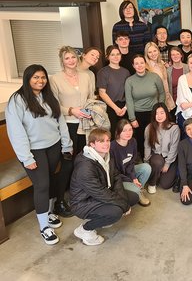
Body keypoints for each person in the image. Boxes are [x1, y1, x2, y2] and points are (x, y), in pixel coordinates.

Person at [6, 64, 73, 245]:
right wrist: (26, 158)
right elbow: (15, 131)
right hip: (33, 150)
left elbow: (60, 120)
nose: (40, 81)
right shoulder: (17, 100)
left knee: (50, 179)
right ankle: (44, 227)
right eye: (36, 77)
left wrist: (66, 144)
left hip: (53, 145)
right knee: (42, 184)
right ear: (27, 78)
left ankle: (50, 213)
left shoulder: (49, 96)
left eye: (43, 77)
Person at [70, 128, 138, 246]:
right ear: (92, 144)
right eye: (101, 141)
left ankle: (105, 216)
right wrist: (123, 205)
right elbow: (100, 192)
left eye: (107, 140)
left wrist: (123, 201)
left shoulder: (106, 155)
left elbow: (116, 177)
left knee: (133, 197)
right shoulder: (85, 167)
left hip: (101, 193)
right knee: (115, 212)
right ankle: (85, 230)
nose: (106, 144)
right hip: (83, 203)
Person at [49, 46, 95, 217]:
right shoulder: (55, 79)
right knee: (68, 164)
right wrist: (71, 110)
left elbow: (91, 97)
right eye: (67, 58)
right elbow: (53, 105)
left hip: (86, 124)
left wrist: (90, 110)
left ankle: (84, 194)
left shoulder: (86, 76)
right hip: (68, 125)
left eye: (73, 57)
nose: (71, 60)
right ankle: (60, 202)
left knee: (85, 160)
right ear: (62, 60)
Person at [124, 54, 165, 154]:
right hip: (138, 114)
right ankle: (144, 159)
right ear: (133, 66)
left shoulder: (154, 77)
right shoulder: (130, 81)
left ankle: (157, 158)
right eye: (136, 63)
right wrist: (132, 119)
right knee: (142, 140)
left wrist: (160, 110)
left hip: (154, 113)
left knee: (156, 137)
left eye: (142, 63)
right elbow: (129, 100)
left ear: (145, 64)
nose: (140, 65)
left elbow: (162, 93)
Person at [110, 119, 151, 207]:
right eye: (124, 130)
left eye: (130, 129)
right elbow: (114, 172)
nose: (128, 133)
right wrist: (131, 180)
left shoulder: (133, 141)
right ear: (118, 132)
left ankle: (139, 190)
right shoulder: (112, 147)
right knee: (135, 188)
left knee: (146, 167)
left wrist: (133, 177)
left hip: (128, 172)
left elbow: (132, 162)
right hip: (117, 177)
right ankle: (137, 190)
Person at [144, 103, 180, 193]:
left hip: (170, 158)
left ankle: (157, 174)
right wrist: (146, 162)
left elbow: (174, 147)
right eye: (156, 113)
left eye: (162, 113)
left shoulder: (174, 128)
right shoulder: (149, 128)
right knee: (158, 162)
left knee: (165, 184)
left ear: (166, 113)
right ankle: (152, 183)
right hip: (156, 157)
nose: (159, 116)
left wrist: (167, 164)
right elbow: (147, 146)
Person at [97, 45, 130, 136]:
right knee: (112, 134)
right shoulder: (103, 72)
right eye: (112, 55)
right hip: (110, 107)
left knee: (124, 134)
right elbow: (102, 93)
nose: (116, 57)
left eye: (118, 54)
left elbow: (129, 92)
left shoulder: (126, 72)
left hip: (124, 107)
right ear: (107, 57)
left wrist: (125, 108)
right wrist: (116, 108)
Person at [145, 42, 176, 111]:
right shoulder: (146, 67)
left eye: (155, 51)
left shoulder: (161, 63)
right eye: (150, 52)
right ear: (147, 54)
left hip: (167, 98)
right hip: (156, 102)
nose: (153, 54)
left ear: (158, 51)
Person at [166, 46, 189, 114]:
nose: (175, 56)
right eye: (173, 55)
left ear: (181, 55)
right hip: (173, 103)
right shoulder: (168, 71)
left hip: (186, 103)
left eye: (177, 54)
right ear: (170, 57)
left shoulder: (188, 68)